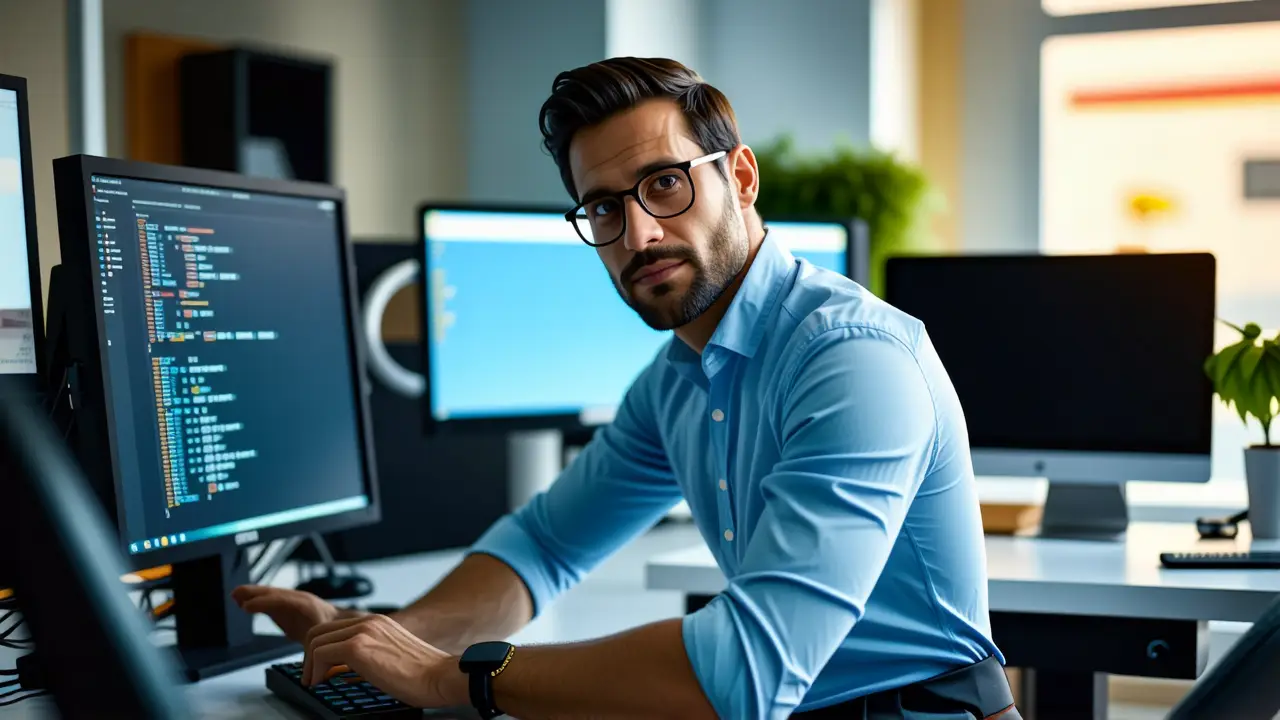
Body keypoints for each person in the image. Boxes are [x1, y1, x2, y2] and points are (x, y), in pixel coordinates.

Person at [234, 57, 1016, 720]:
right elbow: (544, 547)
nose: (639, 233)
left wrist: (451, 675)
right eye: (605, 207)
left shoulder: (851, 359)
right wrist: (385, 635)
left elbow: (745, 669)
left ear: (739, 177)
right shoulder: (679, 377)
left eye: (665, 184)